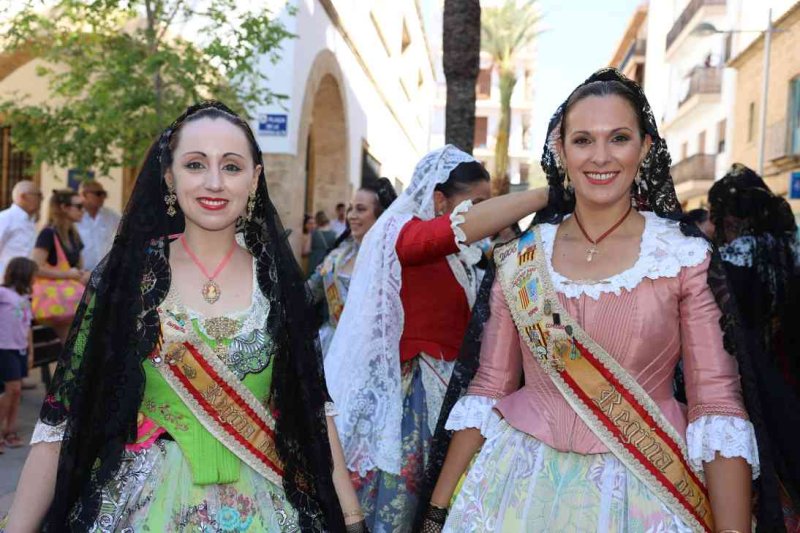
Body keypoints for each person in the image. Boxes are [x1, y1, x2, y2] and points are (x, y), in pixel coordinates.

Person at [422, 69, 760, 533]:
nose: (601, 156)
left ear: (644, 149)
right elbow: (488, 388)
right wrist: (435, 513)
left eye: (619, 138)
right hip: (515, 484)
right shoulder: (523, 257)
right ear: (561, 151)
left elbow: (717, 405)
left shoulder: (682, 257)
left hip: (646, 487)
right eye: (583, 140)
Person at [5, 102, 365, 532]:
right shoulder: (127, 282)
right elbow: (61, 421)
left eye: (231, 166)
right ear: (170, 177)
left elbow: (312, 409)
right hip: (144, 506)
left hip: (263, 503)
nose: (214, 181)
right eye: (196, 164)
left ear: (254, 179)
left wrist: (352, 517)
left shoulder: (280, 287)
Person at [325, 144, 551, 532]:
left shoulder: (458, 258)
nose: (485, 213)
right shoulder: (399, 233)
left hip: (449, 396)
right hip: (413, 401)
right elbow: (438, 237)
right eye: (476, 204)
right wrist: (549, 194)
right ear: (440, 199)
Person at [708, 164, 800, 525]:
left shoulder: (733, 260)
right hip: (788, 367)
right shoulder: (788, 250)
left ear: (730, 217)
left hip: (749, 373)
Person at [308, 178, 397, 356]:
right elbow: (308, 294)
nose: (351, 215)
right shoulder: (337, 257)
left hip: (370, 354)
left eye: (361, 209)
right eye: (351, 208)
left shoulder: (391, 261)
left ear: (381, 215)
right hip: (331, 348)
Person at [31, 189, 89, 343]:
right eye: (79, 206)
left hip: (71, 300)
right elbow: (35, 268)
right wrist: (68, 275)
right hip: (59, 301)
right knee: (75, 346)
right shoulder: (48, 234)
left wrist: (83, 274)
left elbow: (76, 267)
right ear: (64, 207)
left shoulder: (73, 235)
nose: (83, 210)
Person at [0, 257, 37, 454]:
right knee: (11, 389)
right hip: (5, 348)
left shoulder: (25, 298)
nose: (35, 278)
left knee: (16, 392)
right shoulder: (3, 293)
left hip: (20, 349)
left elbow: (27, 326)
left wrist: (30, 350)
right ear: (23, 274)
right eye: (33, 274)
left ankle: (10, 430)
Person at [76, 179, 121, 272]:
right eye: (98, 193)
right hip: (81, 274)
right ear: (84, 195)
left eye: (104, 194)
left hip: (105, 273)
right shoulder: (74, 217)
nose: (103, 197)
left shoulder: (112, 216)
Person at [0, 180, 42, 276]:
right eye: (38, 195)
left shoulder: (31, 220)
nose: (41, 199)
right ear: (23, 196)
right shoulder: (5, 218)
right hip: (6, 279)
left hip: (26, 279)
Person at [308, 210, 337, 275]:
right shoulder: (334, 234)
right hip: (328, 261)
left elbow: (307, 250)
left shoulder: (313, 233)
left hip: (315, 261)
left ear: (317, 221)